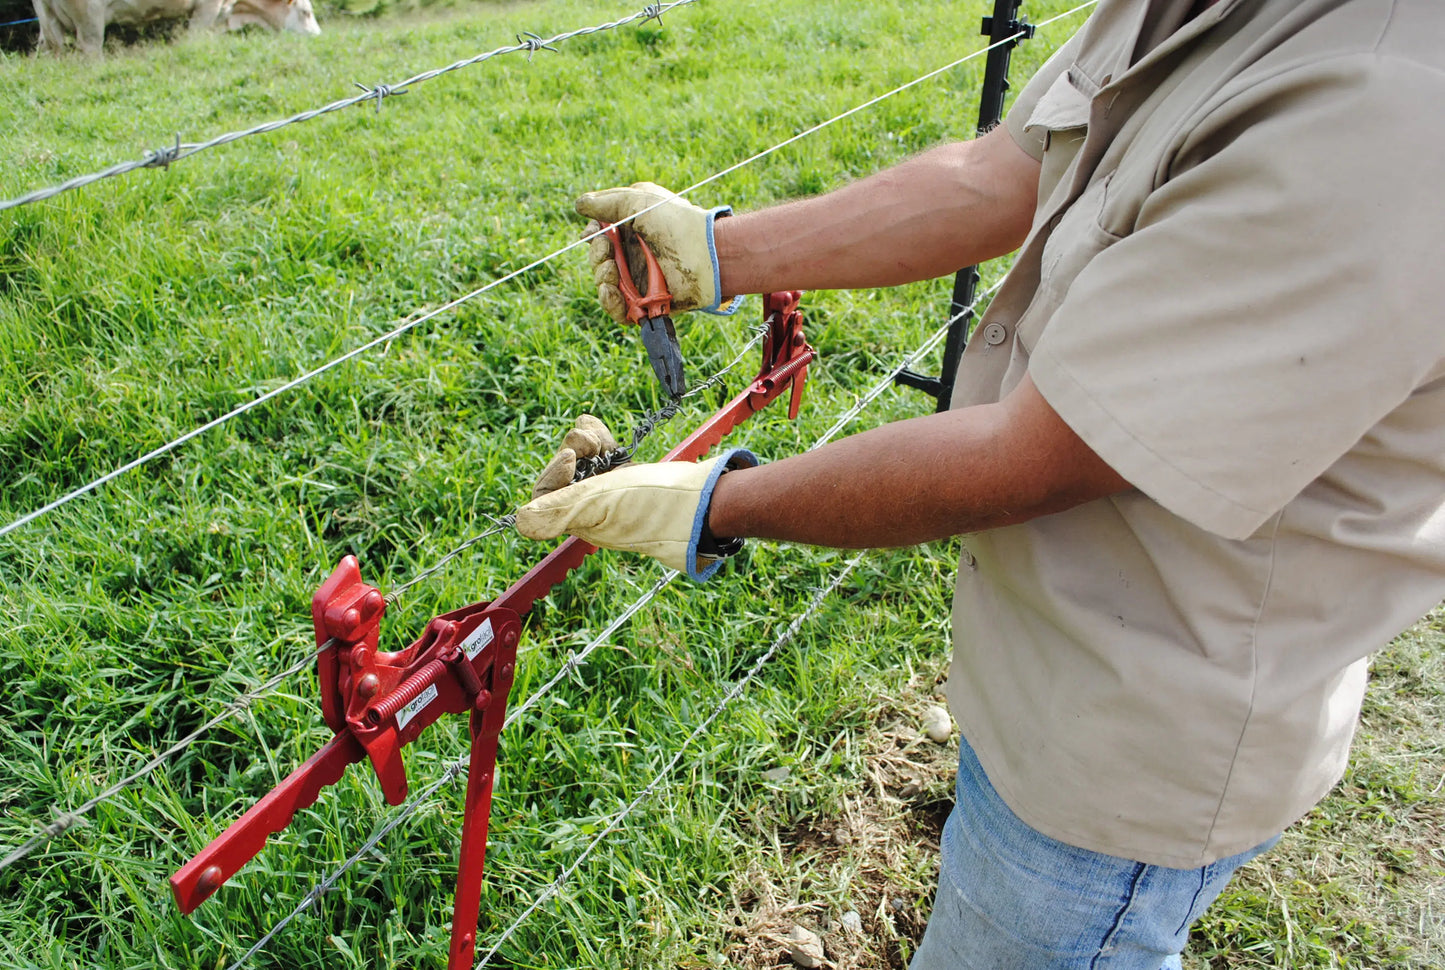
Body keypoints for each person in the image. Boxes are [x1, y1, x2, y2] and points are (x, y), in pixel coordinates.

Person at [516, 0, 1445, 966]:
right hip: (1057, 658)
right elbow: (1001, 173)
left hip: (1139, 735)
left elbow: (1033, 455)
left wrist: (708, 504)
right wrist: (720, 251)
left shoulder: (1385, 109)